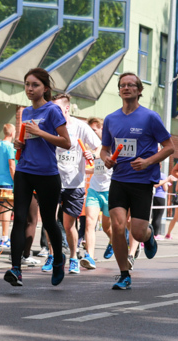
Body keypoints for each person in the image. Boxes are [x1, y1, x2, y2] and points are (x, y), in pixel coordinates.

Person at [101, 72, 174, 290]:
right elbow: (104, 149)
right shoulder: (111, 119)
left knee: (137, 232)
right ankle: (124, 274)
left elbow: (169, 147)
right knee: (117, 226)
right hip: (119, 180)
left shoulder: (150, 117)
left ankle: (149, 235)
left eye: (131, 85)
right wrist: (107, 159)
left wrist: (148, 162)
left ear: (139, 90)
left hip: (142, 181)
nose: (126, 88)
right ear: (119, 90)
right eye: (122, 85)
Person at [3, 68, 71, 287]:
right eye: (27, 84)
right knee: (19, 218)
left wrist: (41, 133)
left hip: (47, 174)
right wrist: (20, 143)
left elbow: (66, 142)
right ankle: (16, 268)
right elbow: (28, 138)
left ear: (45, 89)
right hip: (24, 170)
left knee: (49, 221)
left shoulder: (52, 111)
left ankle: (59, 259)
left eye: (35, 85)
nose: (30, 89)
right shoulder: (25, 112)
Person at [48, 93, 101, 275]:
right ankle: (52, 256)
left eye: (58, 109)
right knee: (50, 221)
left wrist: (92, 155)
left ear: (67, 108)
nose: (54, 112)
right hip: (52, 179)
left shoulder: (80, 127)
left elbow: (100, 147)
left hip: (74, 183)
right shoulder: (48, 125)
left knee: (69, 225)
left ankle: (72, 257)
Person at [81, 117, 113, 269]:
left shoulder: (112, 145)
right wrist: (80, 169)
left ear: (102, 129)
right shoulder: (92, 149)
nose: (91, 134)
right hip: (94, 189)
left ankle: (114, 241)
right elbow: (95, 168)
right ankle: (90, 257)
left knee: (107, 227)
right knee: (90, 222)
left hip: (110, 191)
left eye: (94, 130)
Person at [0, 123, 16, 248]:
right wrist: (16, 180)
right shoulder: (10, 147)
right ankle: (5, 238)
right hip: (8, 183)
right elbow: (12, 166)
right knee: (7, 210)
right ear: (12, 133)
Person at [152, 172, 170, 239]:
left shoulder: (155, 174)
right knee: (159, 216)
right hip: (161, 197)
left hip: (155, 196)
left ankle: (153, 233)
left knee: (154, 216)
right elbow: (165, 188)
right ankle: (156, 234)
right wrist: (166, 182)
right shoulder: (163, 175)